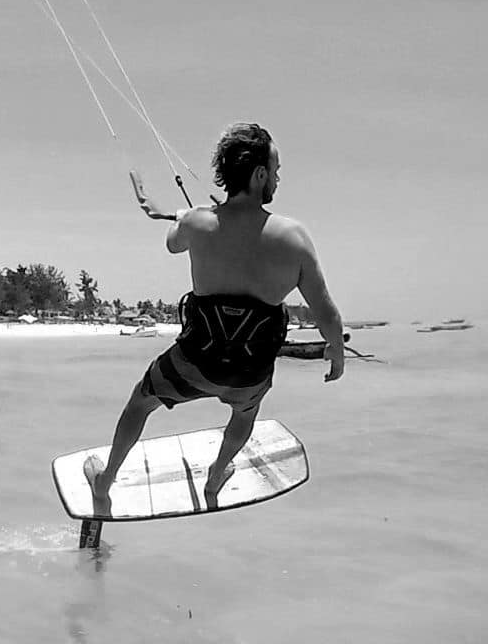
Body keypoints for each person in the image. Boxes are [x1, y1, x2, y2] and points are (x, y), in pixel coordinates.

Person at [88, 122, 345, 512]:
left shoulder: (197, 222)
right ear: (258, 175)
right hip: (247, 377)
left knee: (140, 403)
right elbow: (326, 314)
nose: (277, 176)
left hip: (192, 365)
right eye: (275, 169)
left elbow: (173, 243)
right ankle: (216, 474)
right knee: (246, 413)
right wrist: (337, 356)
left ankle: (105, 483)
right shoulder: (293, 237)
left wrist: (198, 215)